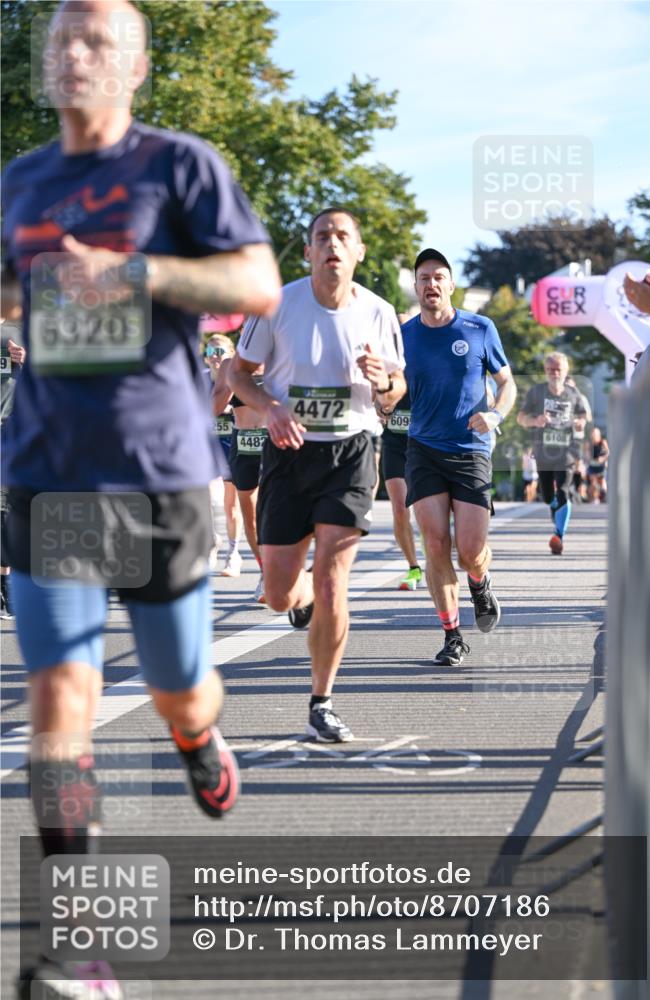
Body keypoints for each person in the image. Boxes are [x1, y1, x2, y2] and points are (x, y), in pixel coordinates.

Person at [1, 2, 281, 995]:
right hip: (47, 471)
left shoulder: (179, 166)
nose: (74, 54)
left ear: (135, 65)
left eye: (97, 41)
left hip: (157, 475)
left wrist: (132, 272)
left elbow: (257, 281)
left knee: (175, 683)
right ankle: (79, 943)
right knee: (60, 698)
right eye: (61, 39)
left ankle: (197, 734)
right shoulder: (22, 180)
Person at [227, 207, 406, 742]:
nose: (332, 243)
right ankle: (297, 600)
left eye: (342, 236)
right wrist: (272, 408)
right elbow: (237, 374)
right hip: (287, 451)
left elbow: (396, 396)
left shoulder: (379, 312)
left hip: (350, 454)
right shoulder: (277, 304)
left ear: (358, 252)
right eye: (321, 236)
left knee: (334, 581)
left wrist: (383, 384)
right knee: (280, 594)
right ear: (308, 252)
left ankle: (322, 701)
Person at [401, 249, 516, 667]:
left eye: (439, 277)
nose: (431, 284)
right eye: (424, 278)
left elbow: (507, 383)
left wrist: (495, 412)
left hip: (470, 450)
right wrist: (382, 400)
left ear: (451, 285)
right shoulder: (404, 335)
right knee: (434, 544)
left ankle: (480, 582)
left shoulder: (480, 327)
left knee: (470, 551)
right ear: (416, 287)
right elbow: (392, 386)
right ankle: (452, 634)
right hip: (424, 449)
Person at [517, 352, 589, 555]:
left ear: (565, 371)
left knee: (564, 489)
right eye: (551, 369)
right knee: (548, 495)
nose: (555, 373)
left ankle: (559, 536)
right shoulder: (536, 392)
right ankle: (553, 504)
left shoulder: (574, 394)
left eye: (559, 369)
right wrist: (535, 421)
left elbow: (584, 415)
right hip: (543, 451)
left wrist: (580, 422)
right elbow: (520, 418)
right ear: (545, 371)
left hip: (566, 451)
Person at [213, 356, 268, 603]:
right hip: (244, 445)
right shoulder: (229, 364)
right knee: (252, 518)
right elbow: (213, 408)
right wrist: (228, 384)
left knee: (278, 510)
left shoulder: (282, 356)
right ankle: (266, 572)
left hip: (276, 442)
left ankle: (285, 568)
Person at [201, 330, 243, 575]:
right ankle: (212, 541)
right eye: (210, 352)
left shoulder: (238, 377)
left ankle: (233, 553)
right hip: (207, 444)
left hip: (232, 442)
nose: (215, 357)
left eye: (220, 352)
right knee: (204, 494)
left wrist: (229, 407)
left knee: (231, 505)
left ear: (231, 355)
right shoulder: (201, 379)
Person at [380, 378, 424, 590]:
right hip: (394, 445)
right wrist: (380, 407)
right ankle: (413, 567)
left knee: (429, 511)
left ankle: (436, 552)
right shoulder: (388, 359)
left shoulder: (426, 357)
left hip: (424, 445)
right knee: (400, 509)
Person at [0, 333, 26, 619]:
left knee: (6, 510)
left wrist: (29, 362)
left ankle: (6, 585)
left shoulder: (24, 330)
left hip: (11, 431)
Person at [586, 426, 609, 503]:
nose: (594, 436)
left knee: (602, 482)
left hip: (601, 466)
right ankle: (593, 498)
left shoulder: (603, 442)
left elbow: (608, 453)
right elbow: (586, 454)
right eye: (593, 434)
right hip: (592, 466)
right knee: (593, 482)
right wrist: (589, 458)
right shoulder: (589, 443)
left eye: (595, 434)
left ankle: (604, 496)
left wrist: (603, 459)